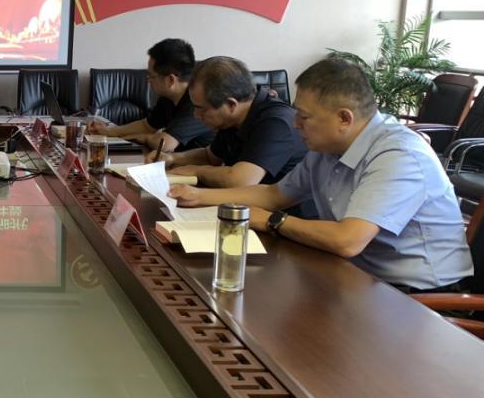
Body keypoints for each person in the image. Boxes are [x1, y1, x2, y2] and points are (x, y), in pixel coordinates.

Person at [170, 57, 472, 292]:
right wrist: (198, 197)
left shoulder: (399, 155)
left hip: (417, 296)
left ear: (344, 118)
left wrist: (273, 220)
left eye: (304, 116)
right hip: (357, 276)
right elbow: (274, 194)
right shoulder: (326, 147)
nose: (295, 123)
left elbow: (347, 240)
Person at [159, 56, 307, 187]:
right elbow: (210, 157)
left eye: (201, 108)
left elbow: (240, 180)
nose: (196, 115)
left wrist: (196, 171)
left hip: (282, 209)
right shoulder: (232, 119)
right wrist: (172, 158)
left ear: (231, 104)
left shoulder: (276, 123)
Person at [88, 38, 213, 154]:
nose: (148, 81)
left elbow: (164, 144)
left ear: (170, 80)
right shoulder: (168, 97)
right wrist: (109, 131)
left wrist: (144, 138)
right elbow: (147, 126)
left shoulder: (196, 102)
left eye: (151, 76)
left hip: (201, 168)